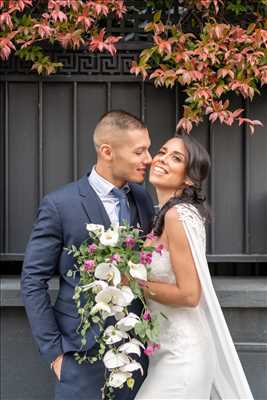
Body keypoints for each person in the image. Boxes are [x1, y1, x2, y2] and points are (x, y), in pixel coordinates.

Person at [21, 110, 154, 400]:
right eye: (139, 151)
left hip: (136, 356)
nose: (149, 159)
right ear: (107, 151)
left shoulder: (143, 199)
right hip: (80, 357)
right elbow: (33, 280)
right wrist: (55, 354)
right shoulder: (60, 204)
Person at [136, 134, 253, 399]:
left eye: (176, 158)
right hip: (164, 351)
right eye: (163, 152)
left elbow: (190, 295)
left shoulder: (178, 215)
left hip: (183, 356)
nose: (163, 159)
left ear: (188, 178)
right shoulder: (165, 214)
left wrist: (132, 282)